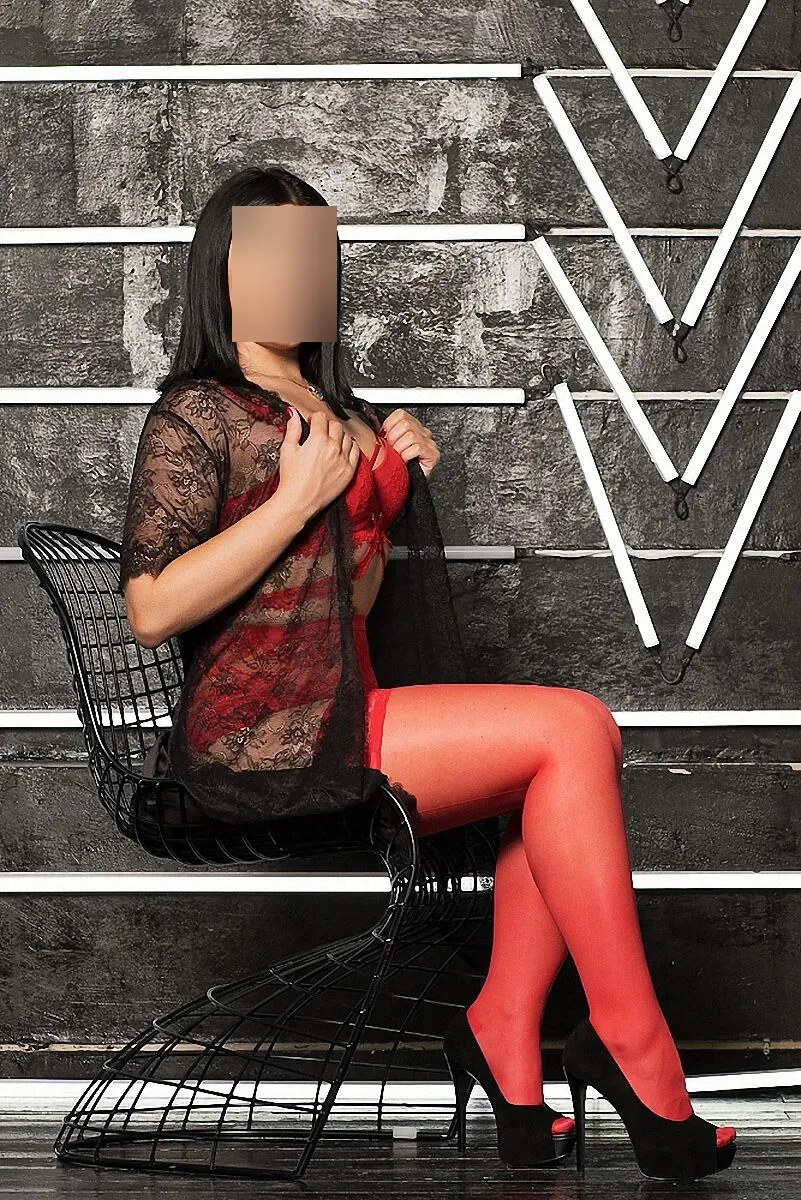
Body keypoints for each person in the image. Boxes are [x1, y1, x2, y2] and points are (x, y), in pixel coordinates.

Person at [120, 165, 736, 1179]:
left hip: (339, 702)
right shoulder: (199, 412)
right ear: (221, 272)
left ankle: (505, 1028)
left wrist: (383, 497)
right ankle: (629, 1041)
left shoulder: (335, 409)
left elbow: (347, 606)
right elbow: (150, 609)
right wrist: (300, 497)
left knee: (569, 747)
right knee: (572, 731)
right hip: (257, 738)